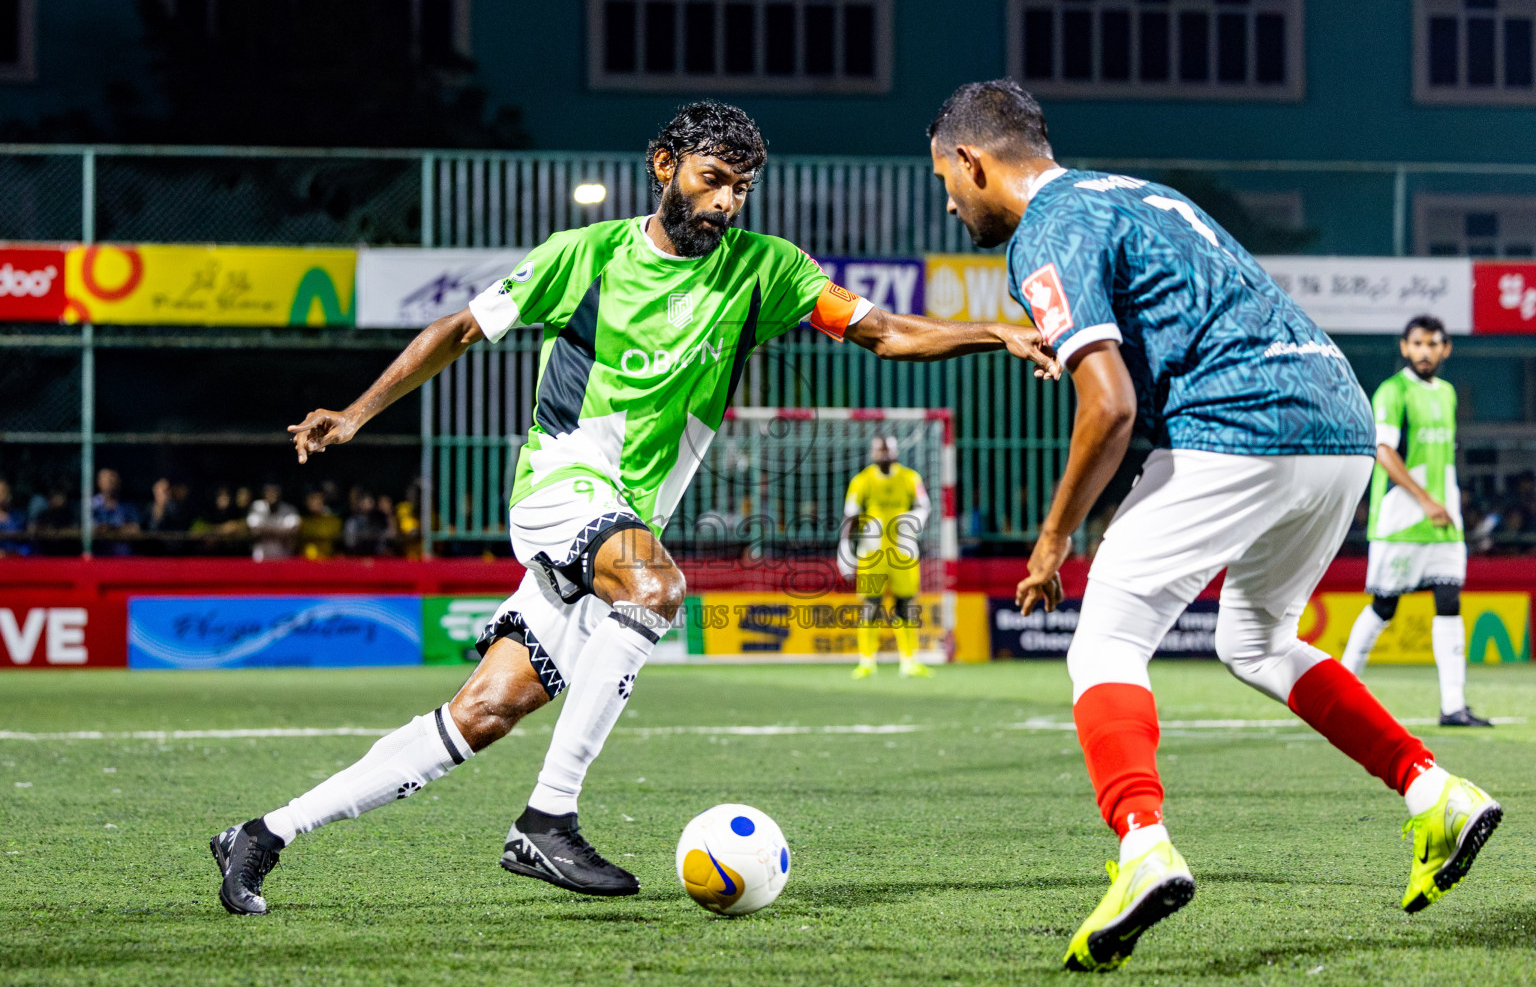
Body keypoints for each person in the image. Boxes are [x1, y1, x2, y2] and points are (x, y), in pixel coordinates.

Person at [208, 99, 1061, 916]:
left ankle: (262, 833)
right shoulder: (583, 255)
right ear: (664, 166)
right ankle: (548, 819)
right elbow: (459, 329)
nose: (726, 202)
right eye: (712, 178)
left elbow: (884, 330)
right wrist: (357, 414)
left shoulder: (765, 270)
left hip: (616, 526)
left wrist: (995, 331)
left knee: (483, 713)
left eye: (741, 187)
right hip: (560, 488)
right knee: (656, 588)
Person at [926, 79, 1502, 972]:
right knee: (1257, 640)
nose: (949, 204)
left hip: (1236, 429)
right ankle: (1436, 793)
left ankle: (1143, 845)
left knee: (1105, 644)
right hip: (1339, 425)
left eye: (944, 182)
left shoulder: (1047, 228)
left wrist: (1053, 538)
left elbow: (1109, 407)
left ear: (971, 161)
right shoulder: (1141, 195)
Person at [1340, 317, 1488, 726]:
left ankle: (1453, 706)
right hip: (1401, 519)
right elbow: (1384, 451)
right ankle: (1340, 693)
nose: (1425, 351)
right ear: (1405, 347)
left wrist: (1447, 504)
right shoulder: (1393, 391)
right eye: (1417, 343)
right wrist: (1425, 501)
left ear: (1446, 348)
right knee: (1385, 606)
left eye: (1433, 343)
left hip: (1444, 522)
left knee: (1449, 602)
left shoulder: (1448, 393)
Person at [837, 435, 932, 678]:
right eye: (879, 449)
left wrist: (915, 520)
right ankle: (867, 661)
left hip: (903, 550)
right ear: (872, 453)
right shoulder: (862, 481)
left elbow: (924, 506)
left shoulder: (910, 478)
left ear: (896, 451)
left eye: (887, 449)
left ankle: (908, 661)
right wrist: (845, 547)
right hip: (872, 552)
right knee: (871, 604)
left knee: (906, 603)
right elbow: (850, 515)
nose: (884, 454)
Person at [90, 468, 140, 556]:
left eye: (112, 479)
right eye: (106, 480)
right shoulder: (91, 505)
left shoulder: (127, 505)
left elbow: (135, 529)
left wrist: (112, 529)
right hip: (97, 556)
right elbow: (86, 529)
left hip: (123, 557)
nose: (110, 483)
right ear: (99, 482)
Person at [246, 482, 299, 561]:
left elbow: (292, 532)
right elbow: (254, 530)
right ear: (264, 494)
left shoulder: (289, 510)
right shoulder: (257, 507)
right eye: (269, 492)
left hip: (283, 557)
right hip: (261, 558)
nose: (271, 495)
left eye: (274, 492)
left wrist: (265, 530)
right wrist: (281, 531)